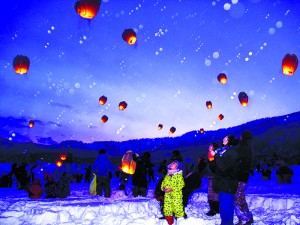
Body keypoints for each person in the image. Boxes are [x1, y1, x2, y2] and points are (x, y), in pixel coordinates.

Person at [212, 134, 239, 225]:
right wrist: (211, 159)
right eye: (223, 138)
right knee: (223, 207)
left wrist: (216, 156)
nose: (224, 139)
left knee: (227, 207)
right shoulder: (222, 151)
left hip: (228, 183)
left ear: (230, 140)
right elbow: (216, 168)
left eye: (226, 138)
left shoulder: (232, 152)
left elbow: (224, 166)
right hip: (222, 183)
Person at [234, 130, 254, 225]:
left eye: (240, 136)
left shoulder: (242, 147)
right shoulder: (248, 148)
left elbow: (238, 161)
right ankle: (246, 217)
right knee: (240, 197)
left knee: (238, 198)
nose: (239, 137)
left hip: (240, 176)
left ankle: (245, 219)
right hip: (243, 176)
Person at [161, 160, 185, 225]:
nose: (171, 164)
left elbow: (181, 185)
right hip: (167, 196)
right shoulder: (167, 175)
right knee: (167, 209)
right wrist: (163, 188)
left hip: (176, 196)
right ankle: (170, 223)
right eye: (171, 163)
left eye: (174, 164)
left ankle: (181, 221)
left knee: (178, 208)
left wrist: (172, 189)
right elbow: (163, 183)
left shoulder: (179, 175)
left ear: (177, 168)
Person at [205, 142, 220, 216]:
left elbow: (214, 165)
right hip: (210, 176)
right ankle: (213, 208)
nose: (209, 147)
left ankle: (215, 209)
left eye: (211, 146)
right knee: (210, 193)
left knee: (214, 193)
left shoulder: (215, 155)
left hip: (214, 176)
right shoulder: (209, 155)